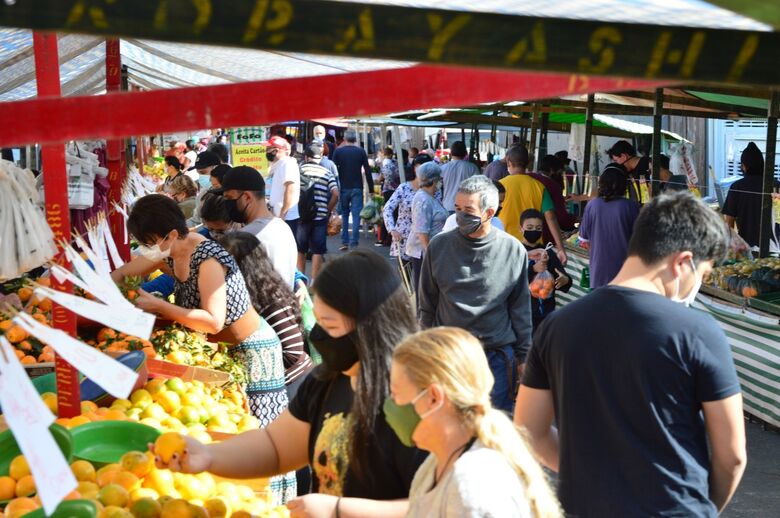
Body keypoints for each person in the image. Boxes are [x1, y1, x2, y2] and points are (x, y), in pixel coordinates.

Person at [516, 192, 747, 517]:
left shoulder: (557, 326)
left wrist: (588, 476)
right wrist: (703, 508)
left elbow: (530, 429)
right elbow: (733, 454)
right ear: (683, 262)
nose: (698, 283)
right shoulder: (698, 332)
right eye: (703, 274)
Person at [152, 251, 426, 517]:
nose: (317, 335)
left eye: (329, 326)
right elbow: (275, 447)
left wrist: (339, 511)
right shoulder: (326, 381)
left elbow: (442, 504)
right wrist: (209, 456)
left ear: (369, 325)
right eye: (317, 321)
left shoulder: (418, 402)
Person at [110, 194, 291, 434]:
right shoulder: (168, 251)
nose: (147, 250)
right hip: (218, 351)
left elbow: (214, 322)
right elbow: (121, 276)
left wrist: (160, 306)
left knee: (259, 432)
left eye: (150, 242)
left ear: (172, 235)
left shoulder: (208, 258)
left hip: (250, 349)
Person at [388, 327, 561, 518]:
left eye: (395, 394)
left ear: (434, 398)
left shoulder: (472, 487)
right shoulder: (438, 461)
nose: (390, 404)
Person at [419, 176, 531, 414]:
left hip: (496, 360)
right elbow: (427, 305)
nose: (460, 216)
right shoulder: (438, 247)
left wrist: (524, 356)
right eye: (458, 209)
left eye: (468, 210)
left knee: (490, 430)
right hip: (448, 356)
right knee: (449, 426)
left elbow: (520, 307)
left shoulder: (513, 250)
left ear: (489, 212)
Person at [219, 232, 313, 400]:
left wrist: (255, 368)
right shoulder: (250, 295)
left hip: (293, 386)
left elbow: (292, 352)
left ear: (241, 267)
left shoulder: (270, 299)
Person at [218, 166, 298, 289]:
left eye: (229, 198)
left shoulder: (244, 238)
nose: (226, 203)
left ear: (247, 197)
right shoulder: (283, 227)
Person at [499, 146, 568, 265]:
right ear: (528, 163)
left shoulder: (500, 185)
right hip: (534, 248)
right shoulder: (539, 187)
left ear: (509, 162)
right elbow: (551, 217)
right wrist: (561, 248)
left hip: (504, 245)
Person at [579, 166, 641, 289]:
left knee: (601, 307)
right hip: (625, 272)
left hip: (599, 271)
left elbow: (583, 240)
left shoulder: (592, 205)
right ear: (624, 185)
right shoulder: (631, 206)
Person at [722, 142, 780, 253]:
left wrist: (729, 248)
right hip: (776, 248)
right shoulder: (775, 185)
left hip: (747, 248)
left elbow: (729, 224)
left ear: (744, 166)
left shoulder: (737, 187)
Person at [519, 209, 570, 330]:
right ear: (521, 228)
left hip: (545, 315)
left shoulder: (548, 252)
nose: (534, 231)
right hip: (521, 315)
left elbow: (563, 277)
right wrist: (532, 269)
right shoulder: (515, 251)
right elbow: (509, 279)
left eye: (538, 228)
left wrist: (565, 280)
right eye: (529, 227)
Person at [297, 142, 339, 280]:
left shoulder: (299, 170)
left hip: (301, 215)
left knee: (301, 249)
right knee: (317, 250)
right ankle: (314, 282)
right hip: (320, 216)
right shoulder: (326, 172)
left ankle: (301, 279)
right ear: (319, 157)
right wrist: (328, 209)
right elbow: (336, 193)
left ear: (306, 157)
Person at [383, 154, 433, 266]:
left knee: (423, 280)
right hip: (403, 239)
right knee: (406, 277)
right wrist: (392, 229)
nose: (423, 171)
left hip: (425, 241)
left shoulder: (434, 190)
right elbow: (388, 209)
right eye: (420, 167)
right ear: (414, 168)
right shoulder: (404, 188)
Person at [406, 162, 447, 293]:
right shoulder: (422, 199)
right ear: (434, 180)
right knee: (424, 291)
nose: (441, 181)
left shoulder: (429, 197)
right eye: (439, 178)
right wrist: (430, 256)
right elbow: (422, 232)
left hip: (431, 250)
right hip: (423, 253)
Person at [332, 129, 374, 251]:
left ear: (345, 139)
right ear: (355, 139)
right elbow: (367, 170)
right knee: (356, 215)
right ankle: (354, 242)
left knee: (345, 214)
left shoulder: (338, 152)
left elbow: (334, 172)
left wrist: (334, 186)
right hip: (357, 187)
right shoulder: (361, 152)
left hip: (343, 186)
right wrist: (371, 188)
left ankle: (344, 241)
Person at [531, 155, 577, 241]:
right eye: (560, 172)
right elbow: (561, 218)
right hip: (545, 234)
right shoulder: (552, 186)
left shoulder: (529, 177)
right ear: (552, 170)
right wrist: (575, 220)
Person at [263, 135, 301, 237]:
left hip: (285, 218)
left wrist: (283, 214)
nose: (266, 152)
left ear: (277, 150)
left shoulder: (286, 164)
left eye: (268, 149)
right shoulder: (277, 165)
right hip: (277, 216)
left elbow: (290, 188)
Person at [440, 141, 479, 213]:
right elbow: (478, 187)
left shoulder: (443, 168)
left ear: (451, 153)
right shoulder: (472, 167)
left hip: (447, 206)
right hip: (466, 207)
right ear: (465, 152)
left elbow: (438, 187)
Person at [607, 140, 649, 204]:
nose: (617, 164)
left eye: (616, 161)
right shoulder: (626, 172)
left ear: (624, 156)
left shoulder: (648, 165)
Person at [376, 147, 401, 246]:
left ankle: (384, 238)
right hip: (395, 189)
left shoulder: (386, 164)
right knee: (394, 214)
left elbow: (382, 178)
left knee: (388, 213)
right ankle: (387, 238)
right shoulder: (396, 164)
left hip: (389, 190)